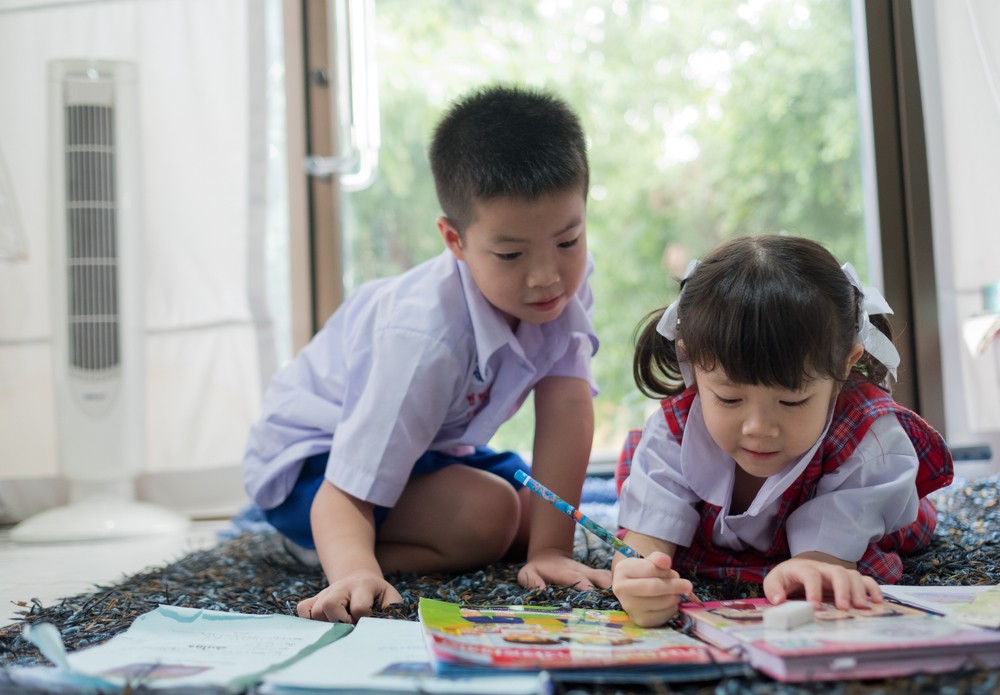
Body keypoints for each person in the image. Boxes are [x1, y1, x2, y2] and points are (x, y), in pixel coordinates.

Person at [243, 84, 612, 623]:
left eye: (568, 241)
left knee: (540, 518)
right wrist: (352, 571)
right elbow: (345, 487)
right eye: (510, 254)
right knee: (488, 516)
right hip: (312, 468)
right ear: (454, 240)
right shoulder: (423, 338)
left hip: (428, 450)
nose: (546, 276)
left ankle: (406, 534)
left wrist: (549, 551)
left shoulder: (565, 285)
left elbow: (567, 406)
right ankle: (321, 550)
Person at [611, 235, 954, 628]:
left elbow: (825, 564)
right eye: (728, 399)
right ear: (690, 359)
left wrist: (812, 567)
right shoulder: (674, 431)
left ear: (846, 365)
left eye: (791, 402)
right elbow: (641, 542)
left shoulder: (867, 441)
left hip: (856, 518)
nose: (758, 428)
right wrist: (635, 578)